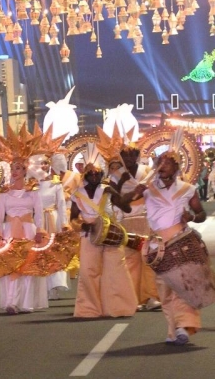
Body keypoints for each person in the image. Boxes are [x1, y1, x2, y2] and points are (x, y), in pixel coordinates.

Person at [124, 150, 207, 345]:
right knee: (165, 290)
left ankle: (184, 326)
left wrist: (192, 217)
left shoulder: (188, 188)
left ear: (176, 167)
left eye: (166, 163)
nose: (161, 166)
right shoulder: (148, 189)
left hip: (182, 241)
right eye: (159, 163)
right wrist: (134, 192)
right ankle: (174, 330)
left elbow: (201, 213)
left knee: (183, 285)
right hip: (157, 246)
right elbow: (122, 204)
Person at [70, 149, 137, 319]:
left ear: (102, 175)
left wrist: (127, 194)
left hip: (110, 235)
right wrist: (82, 225)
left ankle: (117, 307)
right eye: (91, 173)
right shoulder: (77, 195)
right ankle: (89, 309)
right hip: (89, 237)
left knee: (114, 271)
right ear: (85, 175)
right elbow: (73, 219)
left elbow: (126, 208)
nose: (94, 176)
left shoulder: (107, 189)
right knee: (88, 271)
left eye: (97, 173)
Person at [0, 159, 47, 314]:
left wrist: (39, 231)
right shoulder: (5, 194)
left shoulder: (33, 193)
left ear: (25, 171)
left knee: (27, 265)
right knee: (11, 266)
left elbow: (39, 214)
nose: (15, 171)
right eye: (12, 168)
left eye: (18, 168)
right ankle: (11, 302)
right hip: (9, 232)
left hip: (28, 231)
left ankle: (26, 302)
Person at [112, 142, 162, 311]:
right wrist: (122, 184)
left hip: (147, 219)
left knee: (148, 258)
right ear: (121, 157)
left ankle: (150, 296)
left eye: (133, 155)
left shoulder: (148, 172)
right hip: (127, 220)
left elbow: (157, 193)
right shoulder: (116, 174)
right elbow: (114, 200)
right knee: (130, 261)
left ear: (138, 156)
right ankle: (133, 299)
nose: (129, 158)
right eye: (125, 155)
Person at [32, 154, 72, 300]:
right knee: (39, 254)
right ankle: (42, 287)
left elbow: (61, 205)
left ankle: (55, 285)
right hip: (36, 222)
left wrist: (64, 223)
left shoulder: (56, 183)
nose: (43, 166)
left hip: (53, 219)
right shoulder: (31, 184)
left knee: (54, 252)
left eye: (45, 163)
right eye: (40, 164)